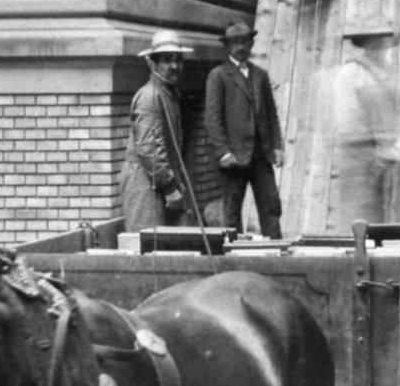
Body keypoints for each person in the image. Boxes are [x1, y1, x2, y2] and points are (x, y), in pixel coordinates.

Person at [204, 20, 284, 238]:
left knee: (271, 206)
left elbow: (271, 114)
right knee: (231, 213)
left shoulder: (260, 75)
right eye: (235, 42)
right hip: (233, 158)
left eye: (244, 41)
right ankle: (234, 253)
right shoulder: (218, 76)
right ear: (227, 46)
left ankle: (275, 249)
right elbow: (212, 119)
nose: (240, 47)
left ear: (251, 43)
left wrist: (277, 146)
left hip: (261, 155)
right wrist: (223, 151)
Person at [119, 30, 196, 231]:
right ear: (152, 63)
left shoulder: (168, 93)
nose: (175, 66)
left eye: (178, 60)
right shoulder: (149, 97)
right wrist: (169, 187)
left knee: (174, 240)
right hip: (145, 184)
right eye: (167, 60)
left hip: (162, 180)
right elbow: (149, 149)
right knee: (147, 240)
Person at [333, 33, 400, 227]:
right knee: (359, 220)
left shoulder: (398, 76)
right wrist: (371, 152)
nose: (378, 47)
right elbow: (347, 122)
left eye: (382, 42)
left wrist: (393, 151)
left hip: (392, 160)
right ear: (364, 44)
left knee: (391, 222)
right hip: (359, 160)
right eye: (372, 42)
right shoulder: (351, 73)